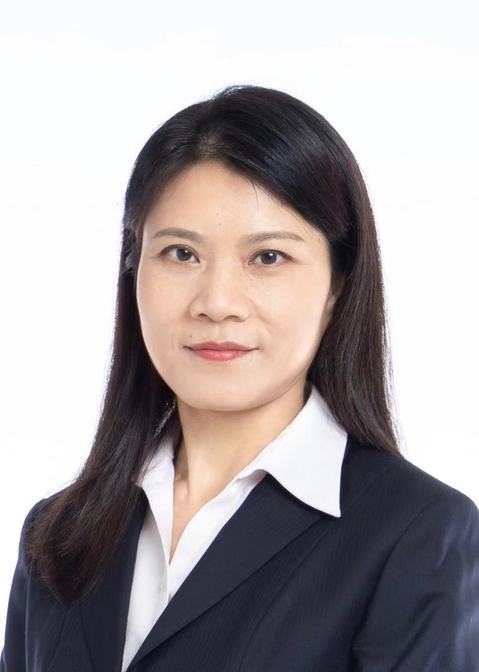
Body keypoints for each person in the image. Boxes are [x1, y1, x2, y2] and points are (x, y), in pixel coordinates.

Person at [2, 84, 478, 672]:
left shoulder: (415, 533)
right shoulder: (56, 535)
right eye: (181, 254)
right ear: (133, 269)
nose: (217, 302)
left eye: (268, 257)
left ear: (337, 286)